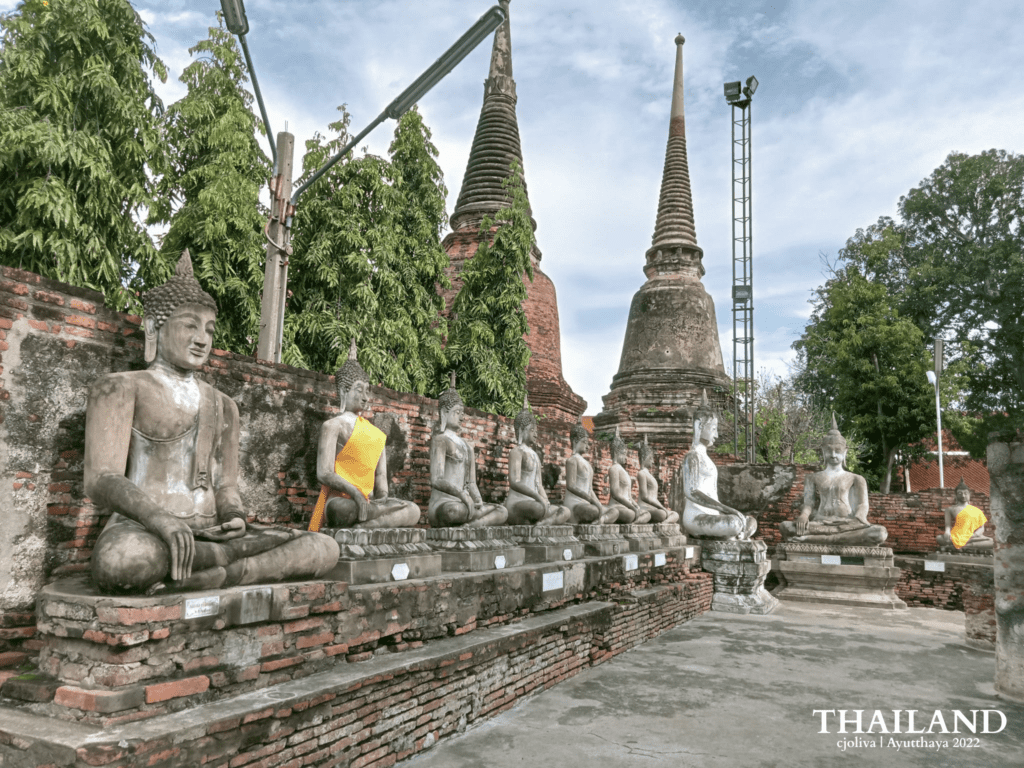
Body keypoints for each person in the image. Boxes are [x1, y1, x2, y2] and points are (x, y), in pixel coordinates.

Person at [85, 251, 339, 594]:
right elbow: (101, 479)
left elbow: (225, 485)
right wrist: (159, 519)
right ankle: (220, 569)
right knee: (122, 561)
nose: (202, 338)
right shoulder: (121, 387)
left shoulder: (223, 405)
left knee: (323, 549)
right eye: (190, 325)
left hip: (213, 532)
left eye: (208, 329)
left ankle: (202, 576)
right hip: (146, 529)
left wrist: (234, 517)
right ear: (153, 326)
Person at [307, 340, 421, 531]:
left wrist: (383, 496)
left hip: (368, 502)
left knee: (413, 510)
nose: (365, 397)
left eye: (367, 391)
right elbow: (324, 473)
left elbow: (381, 475)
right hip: (342, 500)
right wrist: (356, 493)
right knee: (339, 510)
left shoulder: (375, 433)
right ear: (344, 391)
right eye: (359, 390)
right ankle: (371, 523)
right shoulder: (332, 426)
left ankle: (368, 525)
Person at [779, 414, 888, 546]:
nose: (833, 455)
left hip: (847, 524)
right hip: (820, 523)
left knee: (879, 533)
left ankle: (812, 540)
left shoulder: (856, 478)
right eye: (829, 451)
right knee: (786, 527)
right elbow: (809, 503)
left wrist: (859, 518)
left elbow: (862, 505)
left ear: (845, 451)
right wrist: (804, 516)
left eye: (838, 450)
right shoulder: (812, 477)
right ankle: (833, 539)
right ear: (823, 451)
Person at [428, 376, 508, 527]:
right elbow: (436, 479)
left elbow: (471, 482)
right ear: (445, 413)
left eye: (462, 413)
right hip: (445, 504)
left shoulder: (466, 446)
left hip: (465, 504)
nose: (462, 417)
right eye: (457, 412)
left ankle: (469, 526)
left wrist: (477, 500)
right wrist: (461, 495)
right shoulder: (440, 440)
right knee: (452, 511)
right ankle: (474, 522)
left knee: (502, 511)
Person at [681, 390, 756, 540]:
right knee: (734, 522)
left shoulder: (706, 458)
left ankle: (736, 535)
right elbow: (691, 492)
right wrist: (726, 509)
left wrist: (726, 511)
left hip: (713, 515)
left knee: (752, 521)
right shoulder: (692, 457)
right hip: (696, 517)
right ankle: (736, 535)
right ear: (699, 426)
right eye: (713, 429)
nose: (716, 435)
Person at [504, 401, 571, 526]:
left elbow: (539, 484)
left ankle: (544, 523)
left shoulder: (535, 455)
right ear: (522, 430)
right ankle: (545, 521)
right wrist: (538, 498)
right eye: (532, 430)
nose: (536, 433)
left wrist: (545, 499)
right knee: (538, 508)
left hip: (535, 502)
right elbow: (515, 482)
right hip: (518, 503)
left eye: (536, 430)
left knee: (566, 511)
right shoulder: (516, 452)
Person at [562, 421, 616, 524]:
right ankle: (597, 519)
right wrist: (590, 500)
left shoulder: (587, 464)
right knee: (593, 511)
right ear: (575, 441)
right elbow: (571, 486)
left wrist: (597, 503)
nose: (587, 446)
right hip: (576, 504)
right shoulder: (572, 460)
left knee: (614, 511)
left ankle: (600, 521)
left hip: (587, 503)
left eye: (588, 443)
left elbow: (589, 489)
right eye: (584, 442)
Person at [605, 427, 649, 524]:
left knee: (647, 514)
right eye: (624, 454)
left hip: (627, 506)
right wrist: (631, 506)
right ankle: (632, 521)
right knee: (630, 514)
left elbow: (628, 496)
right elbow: (615, 494)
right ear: (616, 453)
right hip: (618, 506)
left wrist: (634, 505)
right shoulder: (614, 469)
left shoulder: (623, 471)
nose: (626, 457)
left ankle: (634, 523)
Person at [936, 478, 992, 550]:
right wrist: (947, 532)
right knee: (939, 538)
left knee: (991, 541)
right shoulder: (950, 509)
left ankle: (960, 547)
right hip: (956, 535)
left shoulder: (977, 510)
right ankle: (966, 547)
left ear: (969, 495)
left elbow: (982, 528)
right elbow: (948, 525)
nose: (963, 496)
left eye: (965, 493)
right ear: (956, 495)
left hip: (971, 537)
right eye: (960, 493)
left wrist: (975, 535)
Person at [637, 437, 679, 525]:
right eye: (651, 458)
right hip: (645, 508)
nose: (652, 461)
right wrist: (661, 508)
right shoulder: (641, 473)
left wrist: (662, 507)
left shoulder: (648, 474)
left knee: (675, 514)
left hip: (654, 507)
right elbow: (644, 497)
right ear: (645, 457)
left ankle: (664, 523)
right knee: (662, 514)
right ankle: (663, 521)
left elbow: (654, 498)